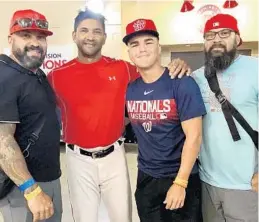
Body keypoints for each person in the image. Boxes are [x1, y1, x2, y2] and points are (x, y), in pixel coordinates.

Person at [48, 9, 191, 222]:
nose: (90, 36)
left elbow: (153, 72)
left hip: (114, 155)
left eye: (97, 31)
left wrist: (178, 63)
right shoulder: (56, 76)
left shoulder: (123, 68)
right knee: (84, 218)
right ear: (74, 35)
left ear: (105, 37)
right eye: (84, 30)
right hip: (78, 159)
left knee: (122, 217)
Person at [123, 18, 206, 222]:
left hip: (181, 177)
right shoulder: (131, 89)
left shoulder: (182, 83)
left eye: (148, 42)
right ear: (129, 53)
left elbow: (194, 137)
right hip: (147, 179)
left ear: (159, 47)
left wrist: (180, 183)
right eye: (135, 44)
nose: (142, 49)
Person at [192, 14, 258, 222]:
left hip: (247, 185)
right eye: (210, 35)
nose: (216, 40)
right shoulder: (196, 77)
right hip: (208, 183)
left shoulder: (255, 69)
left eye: (224, 33)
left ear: (238, 39)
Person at [0, 9, 62, 222]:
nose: (35, 42)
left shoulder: (36, 74)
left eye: (41, 37)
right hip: (23, 190)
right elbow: (2, 139)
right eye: (26, 35)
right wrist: (32, 190)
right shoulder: (3, 75)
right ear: (10, 38)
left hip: (49, 179)